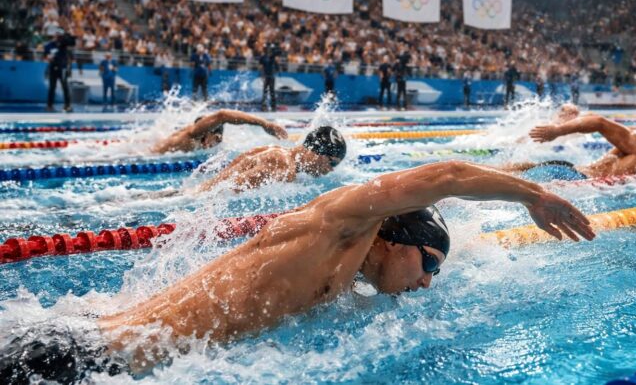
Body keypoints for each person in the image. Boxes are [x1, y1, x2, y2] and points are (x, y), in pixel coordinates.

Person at [0, 161, 594, 382]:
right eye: (430, 264)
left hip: (95, 349)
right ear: (393, 239)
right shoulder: (339, 223)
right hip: (79, 362)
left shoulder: (350, 278)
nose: (428, 282)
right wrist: (531, 195)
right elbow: (447, 178)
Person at [502, 114, 636, 179]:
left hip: (570, 174)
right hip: (569, 177)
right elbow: (599, 123)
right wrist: (557, 131)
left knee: (506, 172)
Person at [197, 126, 346, 192]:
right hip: (197, 198)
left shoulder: (276, 150)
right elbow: (230, 190)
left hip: (195, 190)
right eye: (332, 162)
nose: (331, 169)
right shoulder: (285, 165)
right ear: (317, 152)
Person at [150, 109, 288, 154]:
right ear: (209, 133)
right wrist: (265, 124)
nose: (216, 143)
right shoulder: (193, 135)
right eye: (216, 139)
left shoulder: (189, 134)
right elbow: (222, 115)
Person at [44, 30, 75, 112]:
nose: (57, 37)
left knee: (65, 87)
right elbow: (46, 55)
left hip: (62, 68)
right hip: (53, 67)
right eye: (56, 35)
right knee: (52, 87)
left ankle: (67, 105)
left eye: (59, 35)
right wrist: (48, 57)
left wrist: (67, 34)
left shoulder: (63, 43)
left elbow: (71, 42)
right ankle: (49, 105)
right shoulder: (49, 45)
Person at [260, 43, 281, 111]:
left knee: (272, 91)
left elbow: (277, 66)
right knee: (265, 91)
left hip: (271, 76)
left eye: (269, 49)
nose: (268, 50)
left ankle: (273, 106)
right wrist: (262, 75)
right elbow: (261, 67)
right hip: (266, 76)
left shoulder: (273, 57)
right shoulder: (263, 57)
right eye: (267, 49)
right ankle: (264, 106)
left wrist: (277, 69)